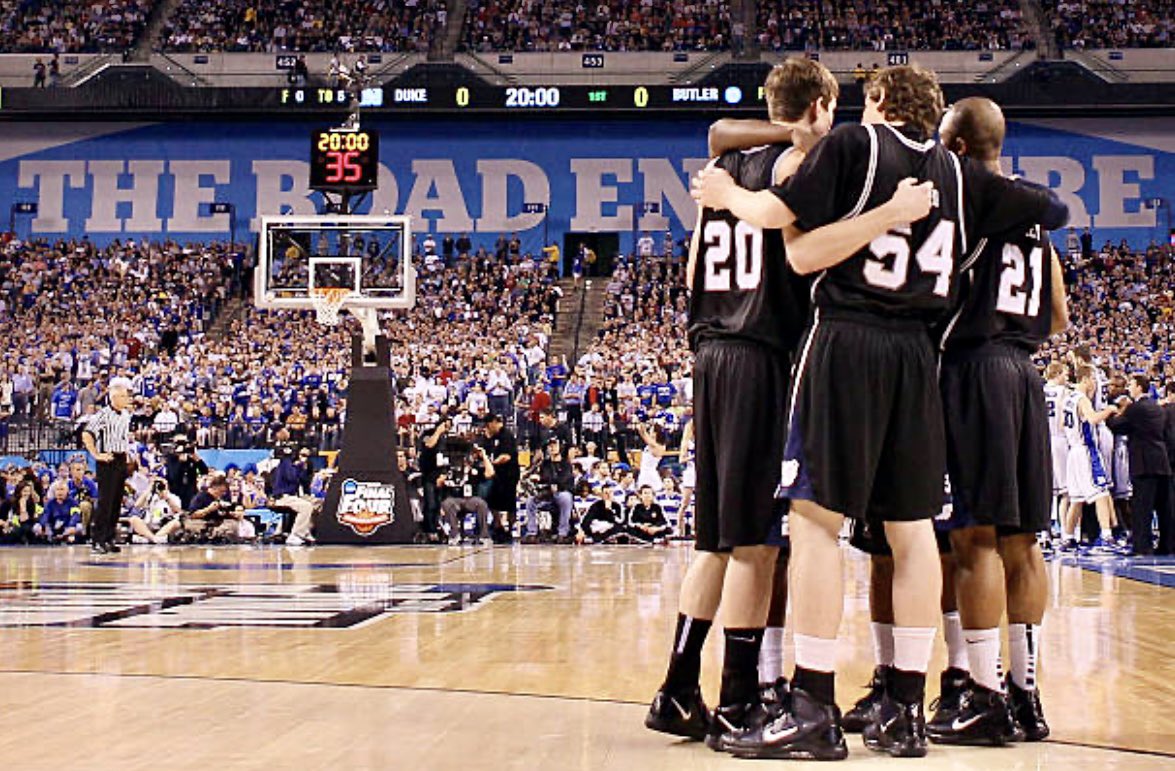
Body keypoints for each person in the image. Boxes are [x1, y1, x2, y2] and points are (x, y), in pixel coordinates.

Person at [698, 65, 1068, 760]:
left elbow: (796, 243)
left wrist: (724, 192)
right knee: (912, 531)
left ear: (873, 102)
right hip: (917, 355)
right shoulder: (957, 177)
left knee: (813, 520)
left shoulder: (853, 147)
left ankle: (810, 703)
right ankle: (903, 705)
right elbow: (1049, 209)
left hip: (847, 340)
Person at [648, 56, 933, 756]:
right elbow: (791, 235)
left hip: (709, 348)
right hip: (763, 353)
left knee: (717, 536)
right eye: (832, 109)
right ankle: (739, 694)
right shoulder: (793, 167)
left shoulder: (721, 175)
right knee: (755, 540)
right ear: (817, 108)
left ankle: (681, 684)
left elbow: (692, 271)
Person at [924, 96, 1068, 745]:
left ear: (954, 149)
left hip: (974, 367)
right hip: (1024, 371)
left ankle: (980, 692)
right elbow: (1059, 315)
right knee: (1021, 540)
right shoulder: (1033, 215)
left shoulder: (967, 202)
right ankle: (1025, 693)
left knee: (972, 538)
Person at [1107, 374, 1173, 555]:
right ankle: (1167, 545)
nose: (1129, 387)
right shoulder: (1159, 407)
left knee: (1142, 506)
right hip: (1162, 461)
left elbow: (1116, 425)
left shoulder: (1135, 408)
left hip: (1143, 462)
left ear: (1139, 387)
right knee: (1164, 507)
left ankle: (1142, 547)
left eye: (1131, 384)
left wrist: (1111, 412)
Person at [1060, 366, 1119, 553]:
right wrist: (1109, 410)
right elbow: (1093, 419)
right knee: (1101, 493)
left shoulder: (1067, 398)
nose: (1094, 383)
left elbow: (1062, 425)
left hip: (1073, 452)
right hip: (1086, 451)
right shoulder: (1081, 398)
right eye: (1093, 379)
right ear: (1085, 379)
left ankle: (1068, 538)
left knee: (1077, 499)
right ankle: (1107, 537)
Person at [81, 377, 134, 554]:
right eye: (125, 396)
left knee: (117, 500)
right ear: (115, 397)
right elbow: (87, 434)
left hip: (121, 459)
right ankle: (97, 539)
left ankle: (109, 538)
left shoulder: (126, 415)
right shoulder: (103, 414)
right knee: (105, 501)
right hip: (108, 460)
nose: (128, 399)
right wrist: (96, 454)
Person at [522, 437, 575, 544]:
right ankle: (532, 532)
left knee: (566, 497)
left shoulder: (566, 464)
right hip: (547, 495)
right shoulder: (544, 464)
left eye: (555, 445)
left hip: (560, 494)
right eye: (550, 446)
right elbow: (542, 479)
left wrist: (548, 481)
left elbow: (564, 482)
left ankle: (563, 533)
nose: (552, 448)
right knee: (530, 501)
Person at [483, 414, 520, 542]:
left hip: (509, 474)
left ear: (494, 422)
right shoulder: (493, 437)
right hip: (497, 475)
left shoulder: (507, 436)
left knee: (509, 502)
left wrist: (491, 463)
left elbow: (506, 456)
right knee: (492, 499)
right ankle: (498, 525)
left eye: (488, 425)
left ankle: (510, 528)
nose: (488, 428)